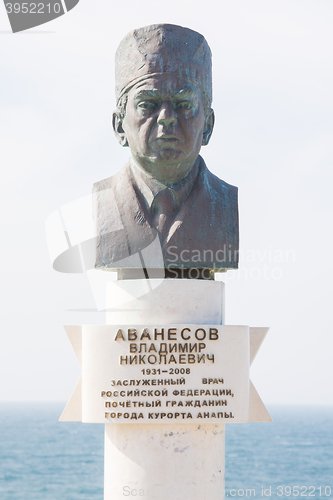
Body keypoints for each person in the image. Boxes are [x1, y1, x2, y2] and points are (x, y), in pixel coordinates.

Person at [93, 24, 238, 278]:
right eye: (148, 103)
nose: (167, 118)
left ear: (208, 126)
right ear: (119, 126)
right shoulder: (106, 201)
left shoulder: (223, 203)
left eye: (184, 104)